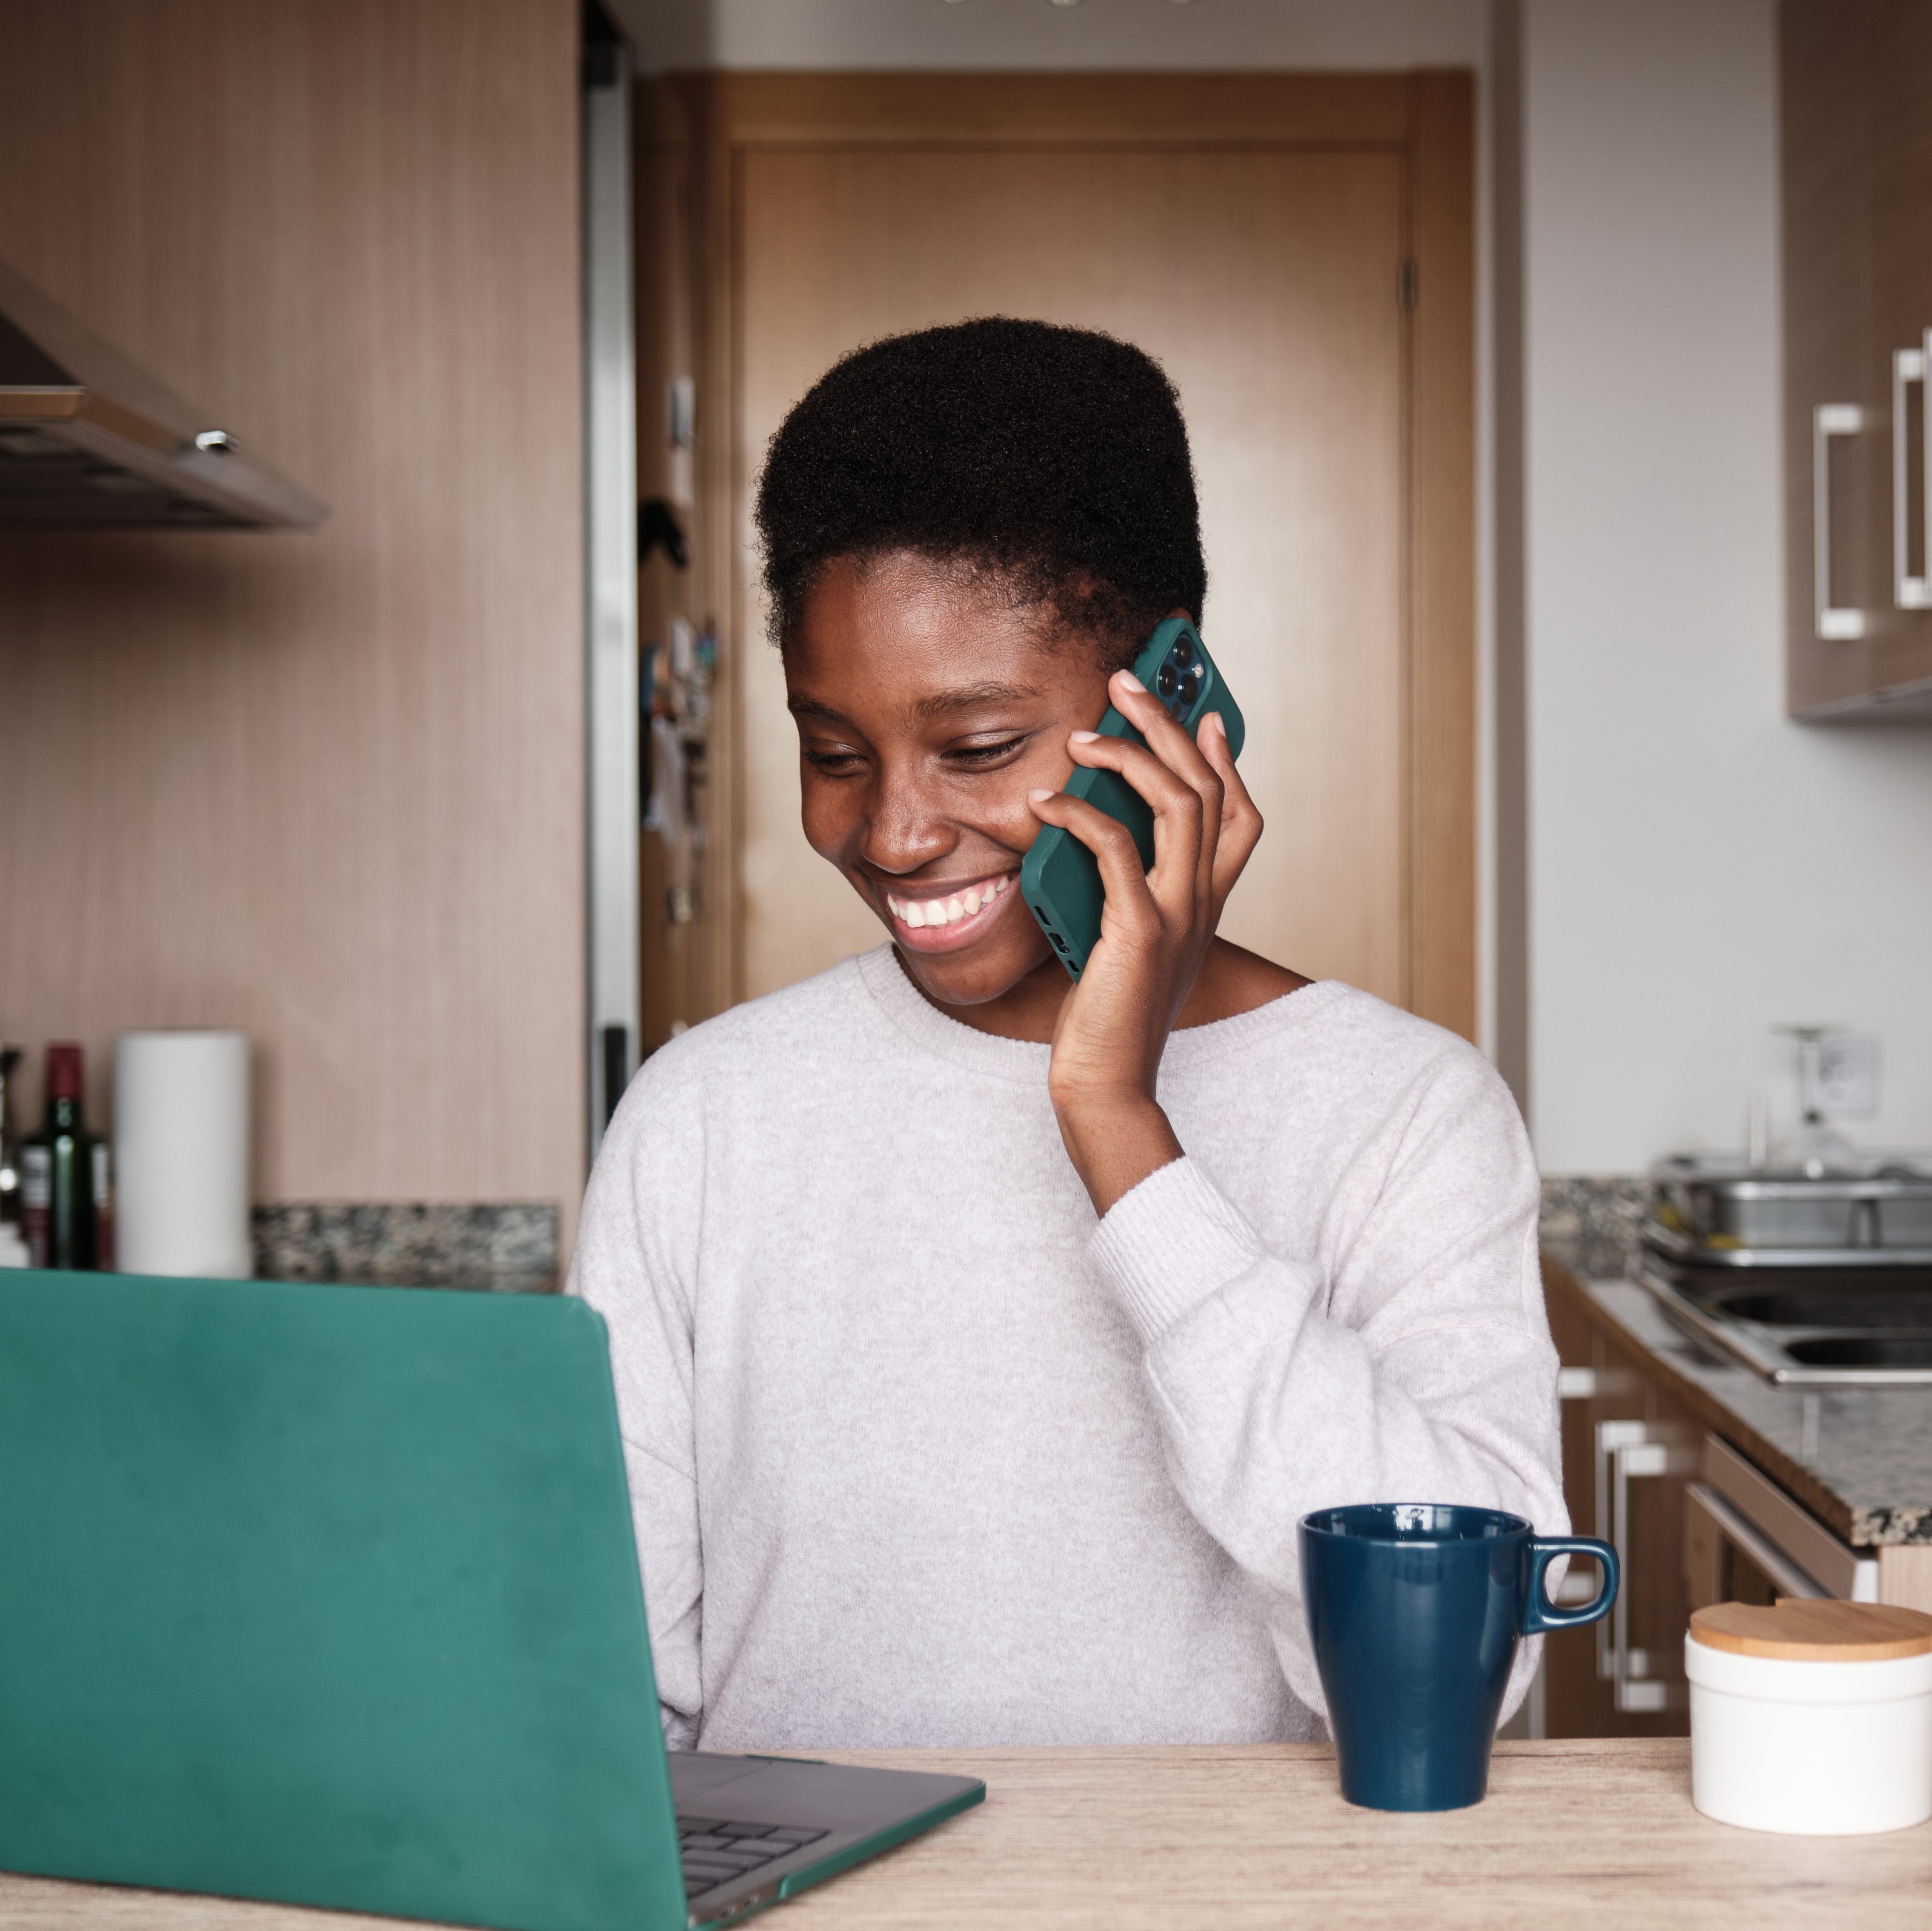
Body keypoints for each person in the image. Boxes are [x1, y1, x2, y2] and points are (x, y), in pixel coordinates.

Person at [569, 316, 1565, 1751]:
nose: (894, 832)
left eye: (976, 748)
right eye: (834, 752)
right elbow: (614, 1692)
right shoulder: (702, 1116)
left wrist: (1120, 1123)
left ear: (1171, 705)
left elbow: (1476, 1661)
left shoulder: (1403, 1113)